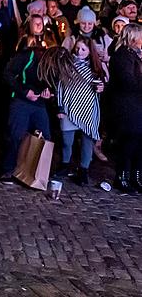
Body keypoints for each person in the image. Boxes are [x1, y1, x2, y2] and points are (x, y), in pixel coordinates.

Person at [39, 42, 103, 186]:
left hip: (87, 107)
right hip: (69, 107)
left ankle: (84, 170)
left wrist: (100, 88)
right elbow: (61, 87)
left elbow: (101, 84)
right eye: (77, 48)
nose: (79, 52)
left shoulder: (94, 67)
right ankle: (65, 164)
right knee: (67, 140)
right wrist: (60, 108)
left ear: (89, 51)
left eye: (83, 49)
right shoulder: (66, 64)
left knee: (87, 140)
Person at [1, 24, 51, 184]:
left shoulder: (50, 60)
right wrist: (24, 91)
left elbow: (53, 80)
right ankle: (8, 169)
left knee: (45, 136)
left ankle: (36, 172)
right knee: (16, 134)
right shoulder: (25, 55)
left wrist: (49, 92)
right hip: (22, 101)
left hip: (39, 103)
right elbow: (8, 74)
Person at [107, 23, 142, 193]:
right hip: (126, 106)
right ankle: (122, 177)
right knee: (129, 142)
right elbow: (128, 81)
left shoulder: (136, 56)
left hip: (137, 104)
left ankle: (136, 177)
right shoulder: (121, 56)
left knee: (139, 143)